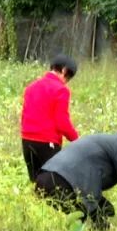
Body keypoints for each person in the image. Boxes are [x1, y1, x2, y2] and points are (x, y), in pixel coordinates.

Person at [34, 129, 117, 231]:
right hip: (63, 182)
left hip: (45, 178)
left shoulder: (110, 141)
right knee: (79, 225)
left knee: (105, 211)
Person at [21, 54, 80, 182]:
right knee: (53, 183)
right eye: (68, 78)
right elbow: (62, 122)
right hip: (47, 143)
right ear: (64, 70)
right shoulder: (61, 90)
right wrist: (77, 140)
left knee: (35, 182)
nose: (66, 81)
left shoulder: (31, 87)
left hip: (26, 140)